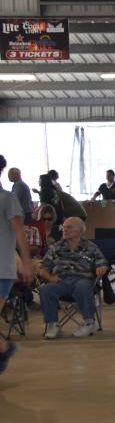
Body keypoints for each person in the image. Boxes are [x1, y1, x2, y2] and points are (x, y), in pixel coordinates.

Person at [37, 217, 109, 339]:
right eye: (63, 227)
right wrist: (49, 277)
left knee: (83, 286)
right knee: (45, 289)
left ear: (81, 230)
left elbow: (103, 263)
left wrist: (101, 268)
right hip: (60, 281)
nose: (64, 230)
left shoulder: (91, 247)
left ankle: (88, 322)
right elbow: (43, 268)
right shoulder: (56, 247)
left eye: (69, 227)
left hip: (82, 279)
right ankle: (52, 324)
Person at [0, 154, 33, 373]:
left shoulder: (8, 198)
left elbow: (20, 231)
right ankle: (4, 349)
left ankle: (5, 349)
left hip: (2, 268)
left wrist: (26, 262)